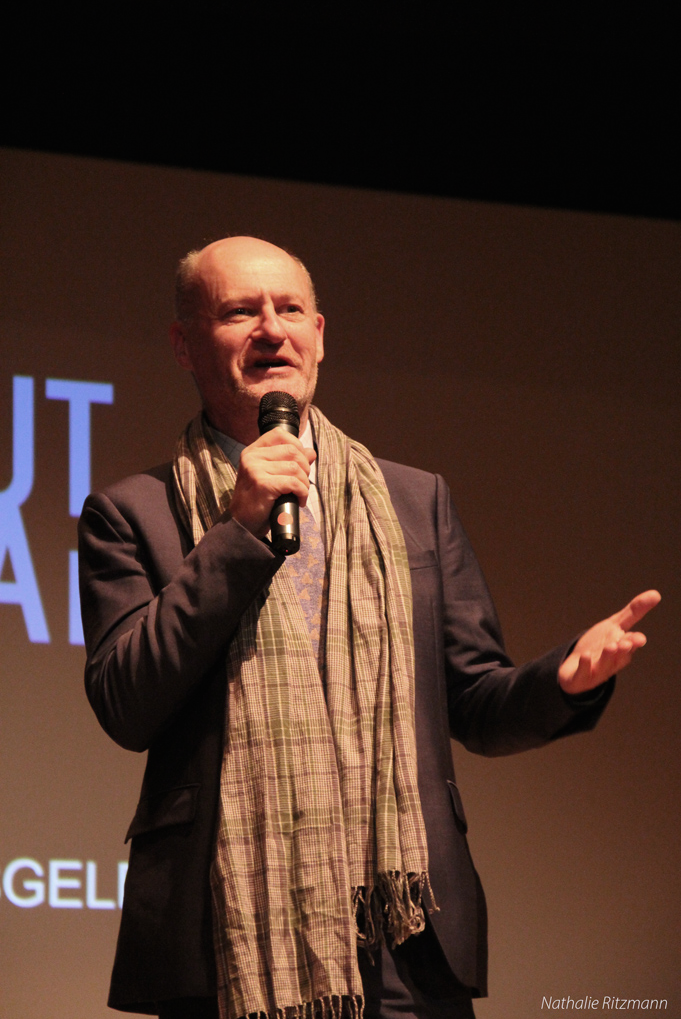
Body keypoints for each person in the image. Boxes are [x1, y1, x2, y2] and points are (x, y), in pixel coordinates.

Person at [79, 237, 660, 1019]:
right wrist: (239, 532)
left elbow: (476, 701)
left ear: (320, 332)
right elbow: (127, 700)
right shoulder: (132, 514)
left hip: (404, 935)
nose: (270, 329)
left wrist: (561, 682)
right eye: (239, 311)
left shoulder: (414, 502)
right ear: (185, 343)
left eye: (288, 309)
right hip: (231, 943)